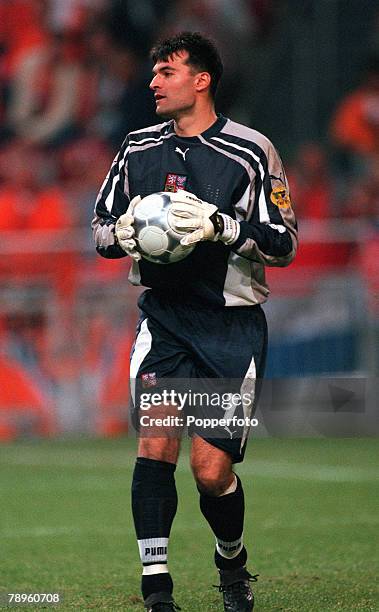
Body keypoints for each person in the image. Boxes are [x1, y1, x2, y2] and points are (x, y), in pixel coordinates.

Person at [92, 32, 297, 612]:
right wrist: (124, 235)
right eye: (153, 73)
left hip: (230, 328)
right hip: (166, 321)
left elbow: (284, 243)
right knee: (155, 445)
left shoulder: (251, 150)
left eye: (165, 72)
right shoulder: (135, 148)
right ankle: (157, 590)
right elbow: (101, 227)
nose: (152, 82)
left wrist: (222, 226)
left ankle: (231, 561)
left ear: (201, 79)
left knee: (210, 471)